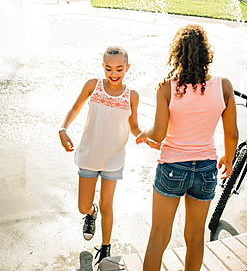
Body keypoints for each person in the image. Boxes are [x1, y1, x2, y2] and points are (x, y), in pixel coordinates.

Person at [136, 24, 238, 271]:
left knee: (159, 237)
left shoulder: (167, 87)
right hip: (206, 170)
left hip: (172, 167)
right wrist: (229, 158)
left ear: (177, 53)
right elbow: (232, 133)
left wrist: (143, 135)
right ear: (206, 53)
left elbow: (158, 134)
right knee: (194, 237)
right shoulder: (223, 86)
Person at [59, 45, 158, 265]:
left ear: (127, 68)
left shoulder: (132, 95)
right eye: (109, 68)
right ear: (103, 66)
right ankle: (90, 214)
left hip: (114, 158)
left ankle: (105, 248)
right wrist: (63, 129)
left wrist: (147, 138)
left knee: (108, 205)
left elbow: (134, 126)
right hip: (89, 155)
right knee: (83, 207)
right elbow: (75, 108)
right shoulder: (92, 86)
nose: (114, 74)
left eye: (119, 69)